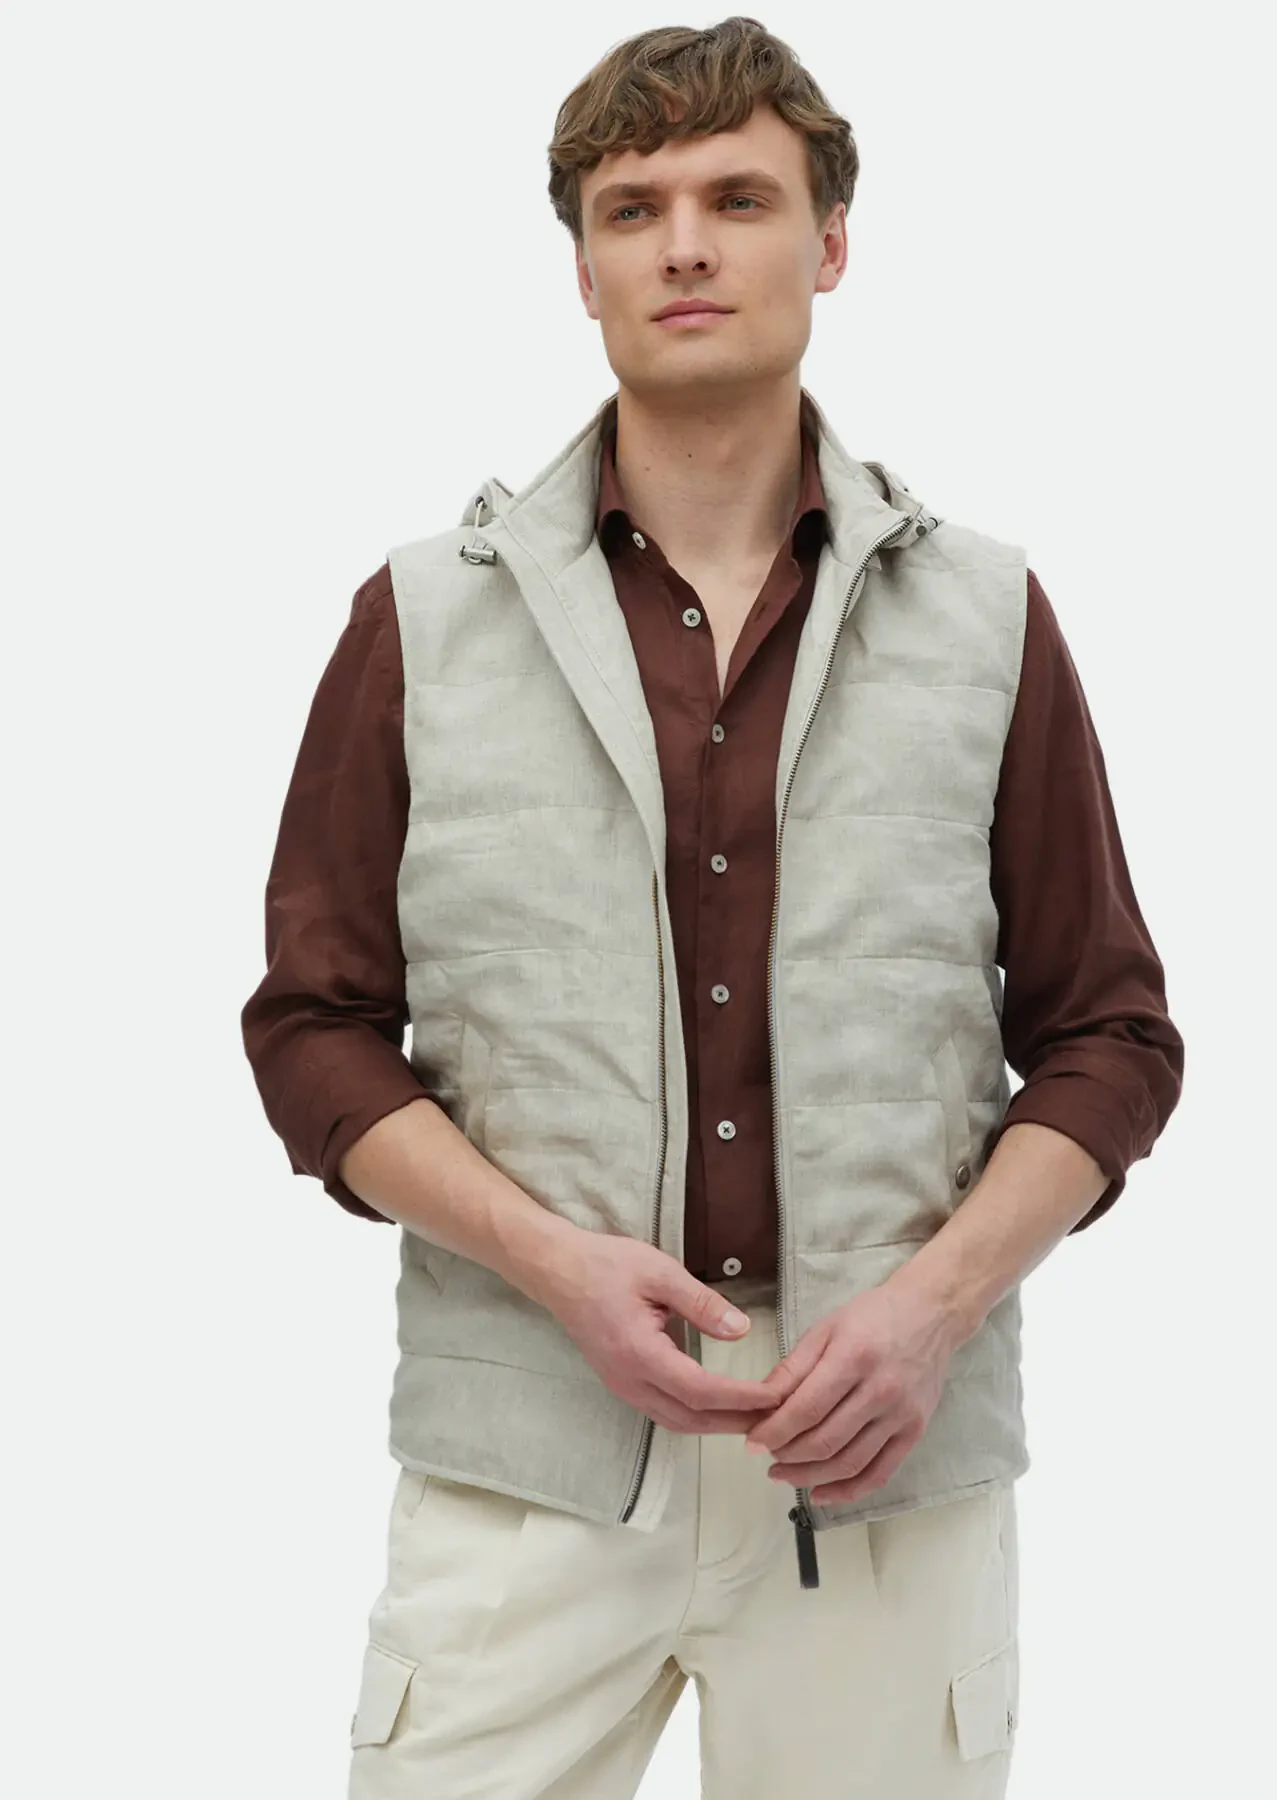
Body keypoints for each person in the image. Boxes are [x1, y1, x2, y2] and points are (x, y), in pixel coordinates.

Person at [240, 17, 1184, 1798]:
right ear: (582, 268)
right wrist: (553, 1266)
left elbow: (1111, 1040)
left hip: (884, 1464)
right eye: (633, 208)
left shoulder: (989, 618)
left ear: (831, 245)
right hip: (526, 1464)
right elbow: (313, 1035)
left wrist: (928, 1313)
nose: (684, 245)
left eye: (738, 200)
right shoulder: (422, 618)